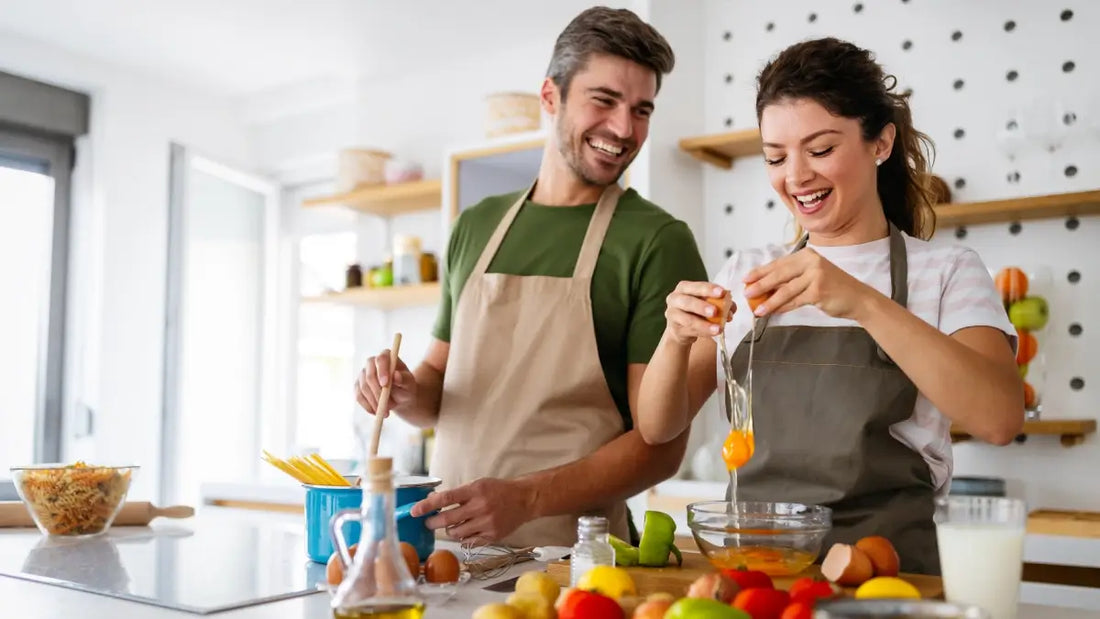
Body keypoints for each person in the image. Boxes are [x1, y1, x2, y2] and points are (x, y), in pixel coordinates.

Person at [637, 37, 1024, 575]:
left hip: (888, 576)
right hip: (758, 572)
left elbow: (1000, 418)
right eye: (775, 156)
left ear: (880, 143)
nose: (795, 176)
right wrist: (674, 338)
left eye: (820, 149)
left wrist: (862, 300)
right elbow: (658, 427)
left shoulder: (948, 272)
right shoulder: (749, 272)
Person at [354, 7, 708, 548]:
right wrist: (400, 391)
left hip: (574, 562)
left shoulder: (656, 241)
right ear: (551, 96)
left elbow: (660, 445)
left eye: (641, 110)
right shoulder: (476, 224)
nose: (623, 129)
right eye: (604, 101)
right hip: (447, 548)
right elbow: (437, 393)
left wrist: (527, 499)